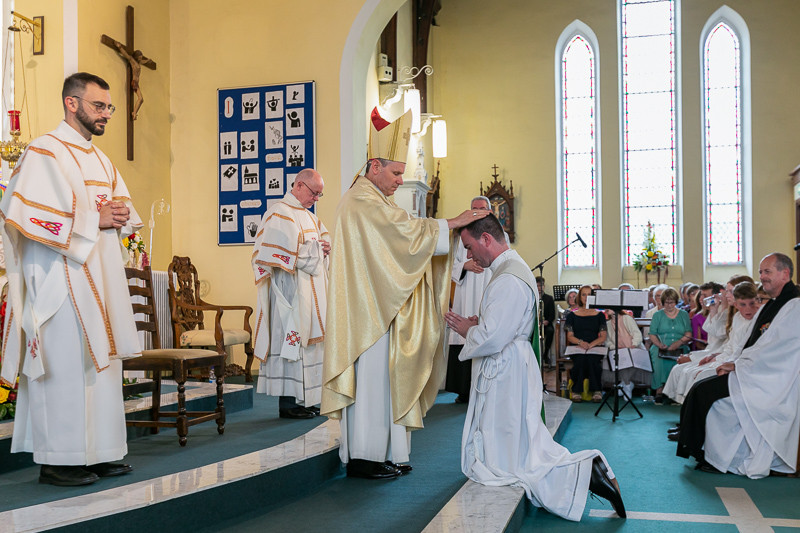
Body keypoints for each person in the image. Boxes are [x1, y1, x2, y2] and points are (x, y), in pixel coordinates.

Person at [321, 108, 489, 480]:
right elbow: (404, 235)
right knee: (372, 383)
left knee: (386, 381)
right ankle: (366, 457)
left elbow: (404, 236)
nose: (400, 180)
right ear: (375, 165)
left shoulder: (375, 200)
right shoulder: (360, 201)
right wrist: (454, 222)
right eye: (396, 173)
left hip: (380, 306)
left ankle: (385, 452)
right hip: (368, 314)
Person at [0, 73, 142, 486]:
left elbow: (122, 208)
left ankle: (99, 453)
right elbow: (23, 214)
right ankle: (59, 459)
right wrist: (92, 220)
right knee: (66, 368)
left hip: (100, 277)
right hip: (60, 280)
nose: (107, 115)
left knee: (101, 368)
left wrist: (117, 216)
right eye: (100, 106)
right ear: (72, 103)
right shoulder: (45, 152)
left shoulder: (100, 159)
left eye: (110, 107)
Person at [444, 215, 625, 521]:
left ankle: (586, 470)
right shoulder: (509, 270)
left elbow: (495, 337)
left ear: (486, 239)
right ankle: (587, 470)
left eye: (469, 247)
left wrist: (467, 330)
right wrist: (481, 324)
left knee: (515, 460)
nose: (469, 255)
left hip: (505, 371)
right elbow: (504, 323)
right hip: (511, 365)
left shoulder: (508, 278)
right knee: (517, 444)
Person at [677, 253, 800, 477]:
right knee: (702, 387)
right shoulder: (771, 305)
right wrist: (734, 362)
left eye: (767, 272)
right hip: (755, 372)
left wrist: (738, 365)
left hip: (775, 382)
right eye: (761, 272)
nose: (762, 276)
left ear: (785, 273)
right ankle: (702, 450)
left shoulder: (794, 305)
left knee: (710, 395)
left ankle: (717, 458)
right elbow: (748, 342)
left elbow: (777, 349)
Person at [251, 168, 330, 419]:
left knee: (309, 348)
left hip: (311, 292)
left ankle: (307, 400)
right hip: (290, 293)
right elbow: (270, 253)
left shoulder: (310, 217)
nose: (316, 199)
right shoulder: (278, 212)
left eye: (319, 195)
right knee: (292, 344)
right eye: (314, 193)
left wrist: (325, 248)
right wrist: (313, 251)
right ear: (298, 186)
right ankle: (289, 404)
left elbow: (322, 243)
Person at [663, 281, 760, 407]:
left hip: (735, 362)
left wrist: (717, 359)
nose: (726, 295)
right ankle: (687, 412)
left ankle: (694, 414)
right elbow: (717, 335)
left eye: (729, 292)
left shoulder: (748, 318)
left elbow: (722, 336)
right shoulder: (737, 317)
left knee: (698, 374)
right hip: (723, 355)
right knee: (690, 371)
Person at [445, 195, 497, 404]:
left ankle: (483, 387)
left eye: (482, 209)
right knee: (461, 335)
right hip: (465, 291)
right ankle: (462, 390)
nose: (477, 212)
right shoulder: (459, 235)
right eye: (474, 209)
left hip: (486, 289)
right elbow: (446, 264)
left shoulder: (496, 234)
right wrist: (463, 266)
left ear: (490, 211)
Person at [564, 285, 607, 402]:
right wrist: (581, 343)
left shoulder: (600, 315)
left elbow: (603, 336)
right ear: (579, 297)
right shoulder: (572, 315)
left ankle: (597, 390)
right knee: (581, 359)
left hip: (595, 346)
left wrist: (591, 345)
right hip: (577, 346)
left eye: (589, 294)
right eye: (584, 294)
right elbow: (570, 336)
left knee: (592, 359)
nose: (586, 297)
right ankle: (576, 390)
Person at [648, 287, 691, 403]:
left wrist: (679, 342)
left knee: (681, 359)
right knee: (658, 358)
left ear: (676, 302)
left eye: (671, 302)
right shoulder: (658, 315)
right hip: (661, 346)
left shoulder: (683, 315)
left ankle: (676, 391)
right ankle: (659, 390)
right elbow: (652, 334)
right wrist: (659, 344)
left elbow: (688, 333)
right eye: (666, 302)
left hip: (680, 345)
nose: (669, 305)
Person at [536, 276, 556, 367]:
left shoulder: (549, 298)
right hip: (535, 324)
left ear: (544, 286)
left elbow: (552, 314)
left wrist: (546, 321)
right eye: (537, 286)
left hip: (546, 323)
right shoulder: (532, 297)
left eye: (541, 286)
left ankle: (545, 354)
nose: (539, 288)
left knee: (550, 331)